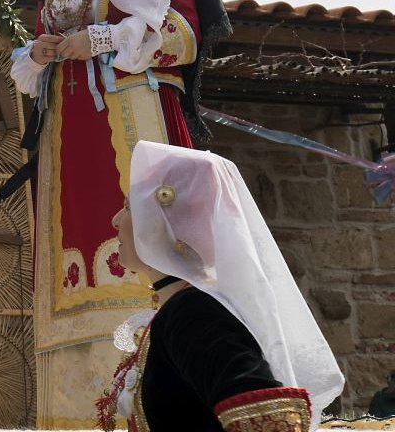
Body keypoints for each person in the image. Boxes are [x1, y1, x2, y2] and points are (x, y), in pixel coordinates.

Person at [8, 0, 231, 427]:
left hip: (132, 129)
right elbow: (30, 70)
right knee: (71, 267)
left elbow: (183, 35)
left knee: (142, 257)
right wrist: (41, 51)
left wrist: (103, 41)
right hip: (67, 140)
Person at [101, 140, 343, 431]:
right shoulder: (184, 308)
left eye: (129, 207)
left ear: (164, 222)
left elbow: (266, 420)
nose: (115, 220)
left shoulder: (193, 312)